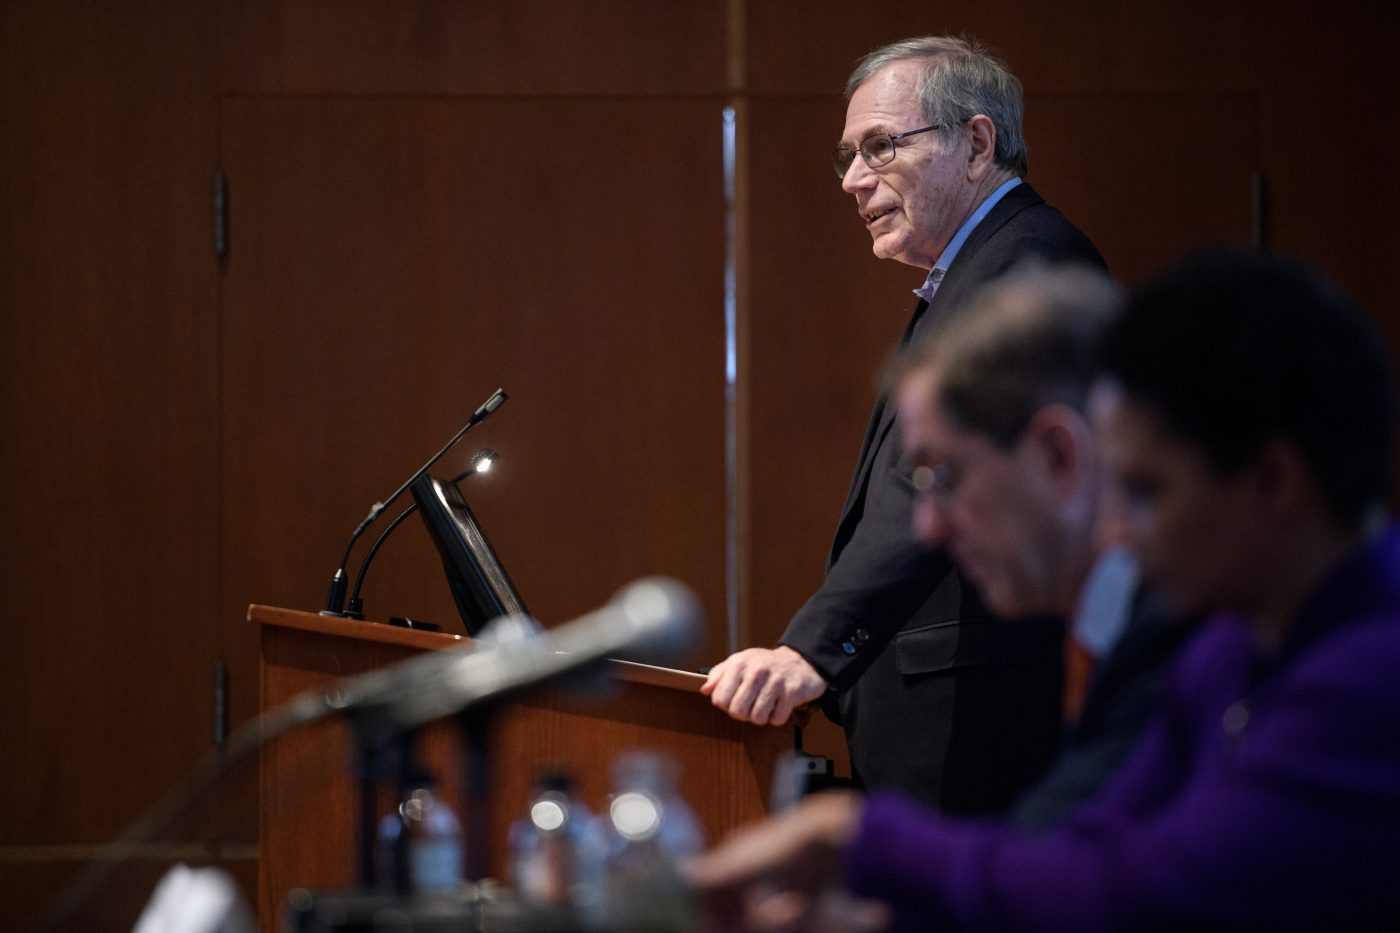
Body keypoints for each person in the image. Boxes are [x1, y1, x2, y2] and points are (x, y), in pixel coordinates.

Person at [690, 247, 1400, 930]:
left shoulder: (1371, 672)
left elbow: (1147, 900)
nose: (1125, 528)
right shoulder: (1227, 646)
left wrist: (860, 837)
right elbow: (1082, 850)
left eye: (1148, 490)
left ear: (1274, 483)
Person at [703, 35, 1104, 813]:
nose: (854, 179)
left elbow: (928, 488)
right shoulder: (977, 268)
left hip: (984, 727)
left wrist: (809, 649)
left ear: (976, 142)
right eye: (848, 155)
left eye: (881, 147)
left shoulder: (1024, 264)